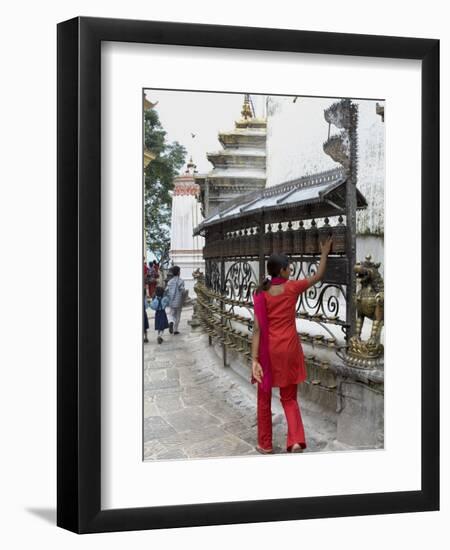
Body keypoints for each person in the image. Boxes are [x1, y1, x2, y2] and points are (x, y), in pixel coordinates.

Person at [251, 236, 332, 454]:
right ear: (284, 270)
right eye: (290, 268)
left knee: (263, 398)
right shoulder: (292, 288)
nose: (291, 272)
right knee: (289, 398)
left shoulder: (260, 293)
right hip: (289, 349)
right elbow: (319, 276)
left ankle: (265, 444)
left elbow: (257, 329)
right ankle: (295, 440)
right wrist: (324, 253)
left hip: (268, 352)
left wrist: (254, 359)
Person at [166, 265, 185, 335]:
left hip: (171, 301)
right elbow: (182, 290)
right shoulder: (181, 281)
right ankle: (175, 330)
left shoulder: (169, 282)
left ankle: (171, 322)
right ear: (178, 272)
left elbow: (167, 290)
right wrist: (184, 296)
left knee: (171, 314)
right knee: (178, 315)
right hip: (179, 301)